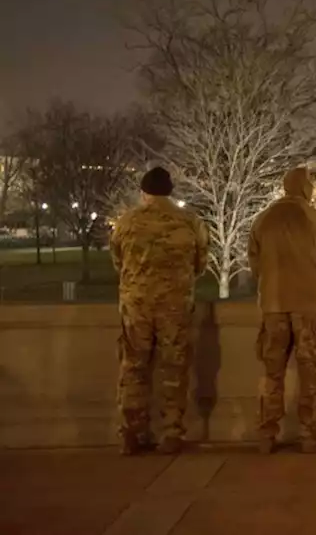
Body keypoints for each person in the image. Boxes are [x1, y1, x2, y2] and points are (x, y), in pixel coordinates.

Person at [110, 166, 209, 455]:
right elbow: (200, 264)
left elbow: (118, 261)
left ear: (144, 193)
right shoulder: (189, 222)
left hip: (136, 306)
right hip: (176, 306)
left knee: (133, 368)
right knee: (174, 368)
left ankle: (131, 433)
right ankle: (171, 433)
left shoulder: (126, 222)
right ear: (169, 192)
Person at [249, 166, 316, 454]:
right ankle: (310, 434)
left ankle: (267, 433)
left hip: (274, 304)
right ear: (305, 188)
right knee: (310, 371)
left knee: (272, 372)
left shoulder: (262, 220)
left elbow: (254, 263)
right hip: (309, 304)